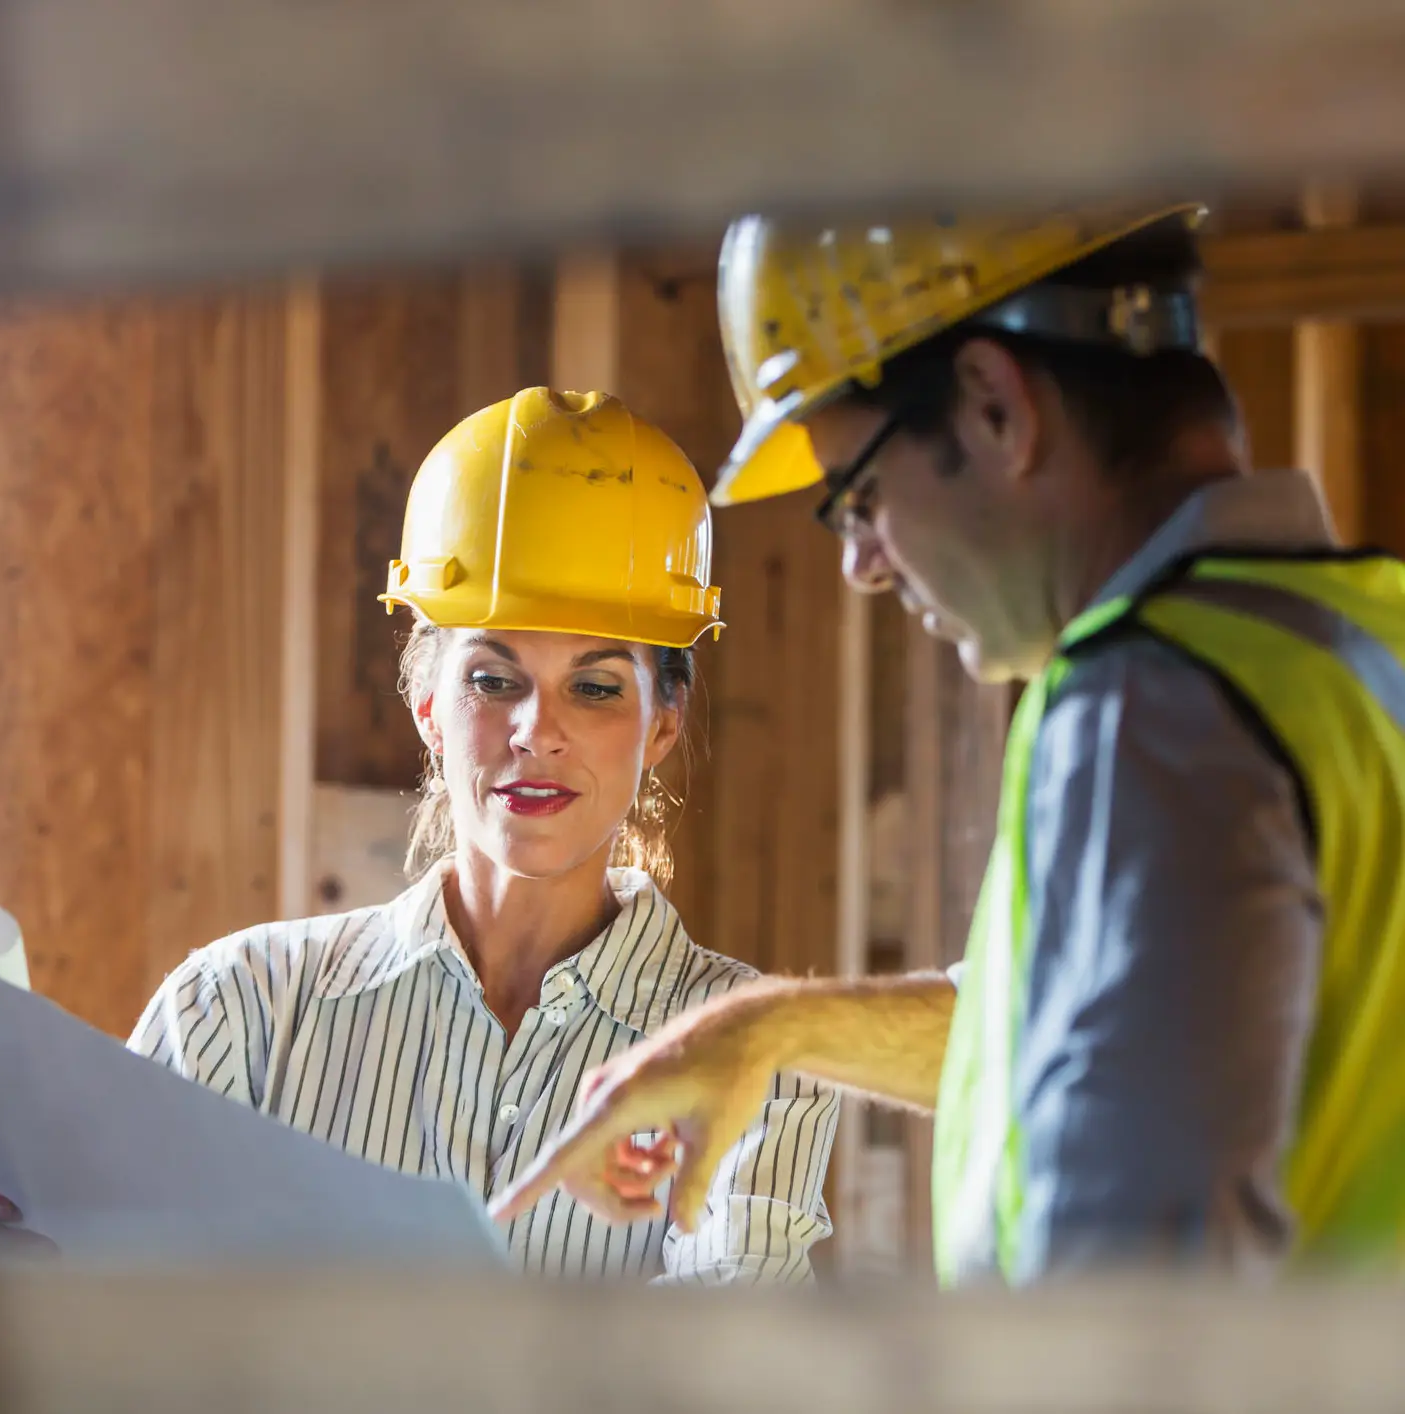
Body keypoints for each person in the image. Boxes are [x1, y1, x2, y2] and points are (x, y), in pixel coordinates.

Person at [492, 204, 1405, 1284]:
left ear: (991, 406)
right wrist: (768, 1029)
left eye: (858, 495)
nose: (861, 566)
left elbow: (1124, 1301)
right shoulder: (1355, 641)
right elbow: (1104, 1026)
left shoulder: (1145, 709)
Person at [129, 388, 837, 1284]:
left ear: (662, 726)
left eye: (595, 687)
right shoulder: (234, 1015)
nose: (537, 731)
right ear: (428, 706)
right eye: (495, 679)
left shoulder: (754, 1054)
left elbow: (732, 1369)